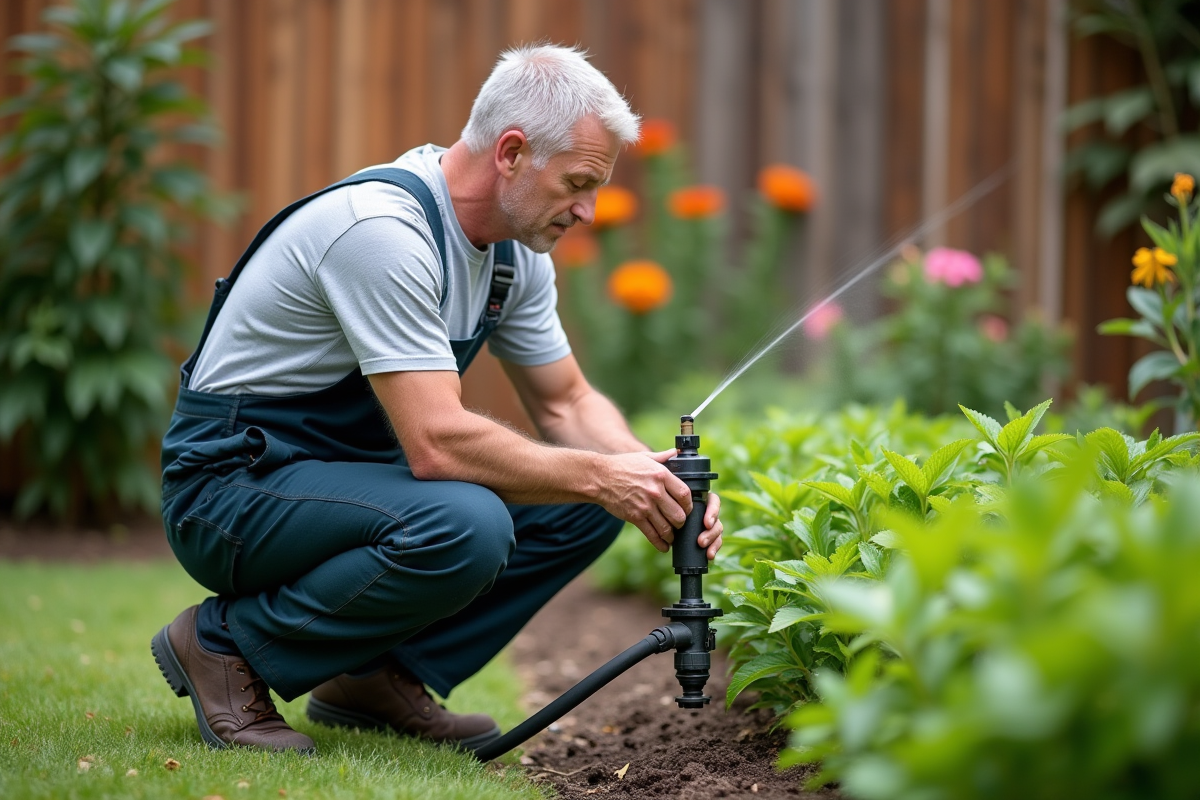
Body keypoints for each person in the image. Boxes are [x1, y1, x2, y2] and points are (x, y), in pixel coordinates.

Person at [151, 44, 723, 754]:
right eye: (578, 182)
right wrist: (606, 476)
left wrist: (651, 476)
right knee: (469, 523)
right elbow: (436, 442)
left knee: (585, 508)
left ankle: (375, 677)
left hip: (330, 484)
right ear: (512, 152)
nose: (588, 209)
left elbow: (568, 401)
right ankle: (222, 644)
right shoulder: (382, 231)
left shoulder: (512, 254)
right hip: (231, 492)